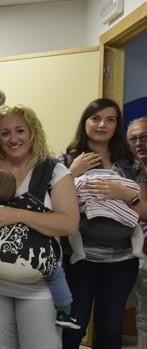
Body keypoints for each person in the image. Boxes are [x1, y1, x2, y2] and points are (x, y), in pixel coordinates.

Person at [0, 104, 79, 349]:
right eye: (5, 133)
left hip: (40, 286)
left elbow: (69, 224)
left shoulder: (54, 171)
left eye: (20, 131)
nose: (13, 139)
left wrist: (18, 215)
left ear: (32, 132)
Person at [60, 99, 147, 349]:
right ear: (84, 122)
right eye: (96, 118)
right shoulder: (66, 160)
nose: (102, 125)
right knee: (71, 329)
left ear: (117, 125)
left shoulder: (131, 163)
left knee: (110, 331)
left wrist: (125, 193)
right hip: (78, 258)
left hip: (121, 261)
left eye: (110, 119)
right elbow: (51, 207)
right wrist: (71, 173)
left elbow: (145, 212)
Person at [0, 168, 80, 330]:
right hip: (32, 272)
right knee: (56, 273)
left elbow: (68, 225)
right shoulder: (33, 206)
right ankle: (65, 311)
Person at [127, 116, 147, 349]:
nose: (140, 142)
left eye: (144, 137)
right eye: (134, 139)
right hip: (131, 252)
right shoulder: (125, 169)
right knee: (143, 315)